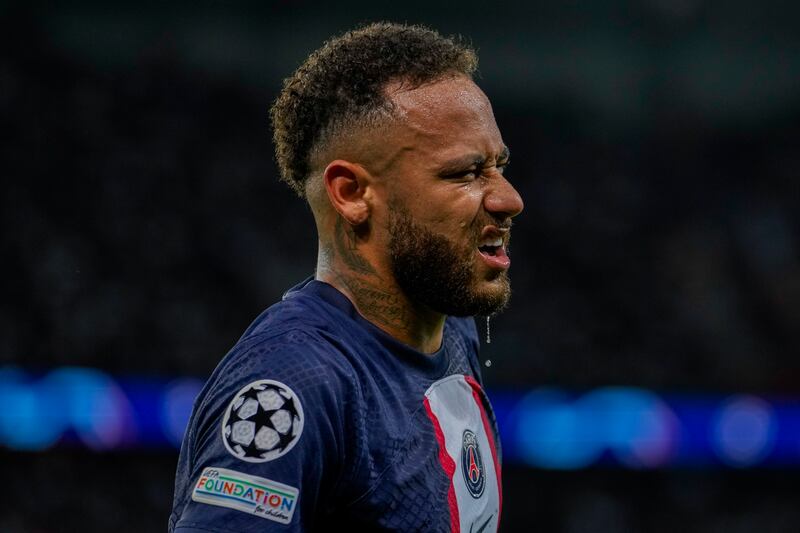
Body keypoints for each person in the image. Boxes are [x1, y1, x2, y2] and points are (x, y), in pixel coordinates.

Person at [169, 22, 524, 532]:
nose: (509, 198)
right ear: (353, 193)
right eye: (464, 173)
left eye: (499, 165)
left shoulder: (451, 329)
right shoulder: (295, 384)